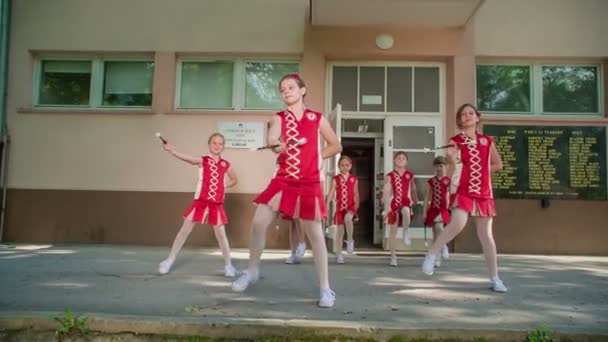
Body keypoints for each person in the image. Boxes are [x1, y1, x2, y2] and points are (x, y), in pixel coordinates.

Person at [231, 73, 342, 308]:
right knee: (259, 221)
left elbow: (336, 145)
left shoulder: (317, 118)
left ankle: (325, 288)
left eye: (291, 87)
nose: (286, 91)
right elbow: (272, 139)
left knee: (315, 234)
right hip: (283, 179)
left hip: (309, 181)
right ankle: (251, 271)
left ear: (302, 90)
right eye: (282, 89)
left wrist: (318, 156)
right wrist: (277, 146)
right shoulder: (279, 118)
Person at [421, 103, 507, 293]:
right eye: (463, 114)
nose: (467, 116)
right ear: (460, 120)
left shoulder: (487, 141)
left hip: (484, 192)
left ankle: (495, 278)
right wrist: (451, 159)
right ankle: (432, 253)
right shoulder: (456, 140)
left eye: (471, 113)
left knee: (486, 236)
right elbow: (452, 162)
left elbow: (498, 164)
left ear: (477, 117)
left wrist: (484, 170)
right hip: (464, 188)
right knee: (458, 223)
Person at [158, 133, 238, 277]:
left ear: (223, 146)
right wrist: (172, 151)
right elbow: (187, 159)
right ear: (209, 145)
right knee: (184, 231)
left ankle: (228, 265)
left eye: (220, 143)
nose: (217, 146)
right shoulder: (203, 160)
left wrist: (223, 185)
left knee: (221, 235)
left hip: (216, 204)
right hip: (200, 202)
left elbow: (234, 179)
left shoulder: (226, 164)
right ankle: (169, 260)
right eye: (214, 143)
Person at [381, 151, 417, 267]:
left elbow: (413, 188)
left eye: (403, 158)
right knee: (393, 230)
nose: (401, 159)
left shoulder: (409, 175)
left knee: (406, 211)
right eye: (398, 158)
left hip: (405, 201)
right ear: (394, 160)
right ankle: (393, 256)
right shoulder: (390, 175)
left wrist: (415, 199)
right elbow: (386, 189)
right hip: (394, 202)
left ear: (406, 162)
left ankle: (406, 231)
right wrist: (383, 199)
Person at [325, 155, 359, 264]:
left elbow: (356, 194)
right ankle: (339, 254)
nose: (344, 167)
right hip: (340, 207)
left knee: (348, 219)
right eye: (342, 165)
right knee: (339, 232)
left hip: (350, 206)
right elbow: (331, 193)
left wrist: (356, 208)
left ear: (351, 166)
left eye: (347, 165)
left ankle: (350, 240)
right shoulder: (336, 179)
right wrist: (326, 204)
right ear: (339, 166)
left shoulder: (354, 179)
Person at [422, 156, 451, 267]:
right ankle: (436, 258)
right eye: (437, 166)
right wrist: (424, 212)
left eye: (441, 166)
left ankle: (444, 246)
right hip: (433, 208)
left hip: (444, 209)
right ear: (434, 167)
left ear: (446, 167)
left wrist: (450, 208)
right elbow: (427, 197)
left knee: (439, 227)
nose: (439, 168)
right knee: (435, 236)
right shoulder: (431, 181)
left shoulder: (448, 180)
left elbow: (450, 195)